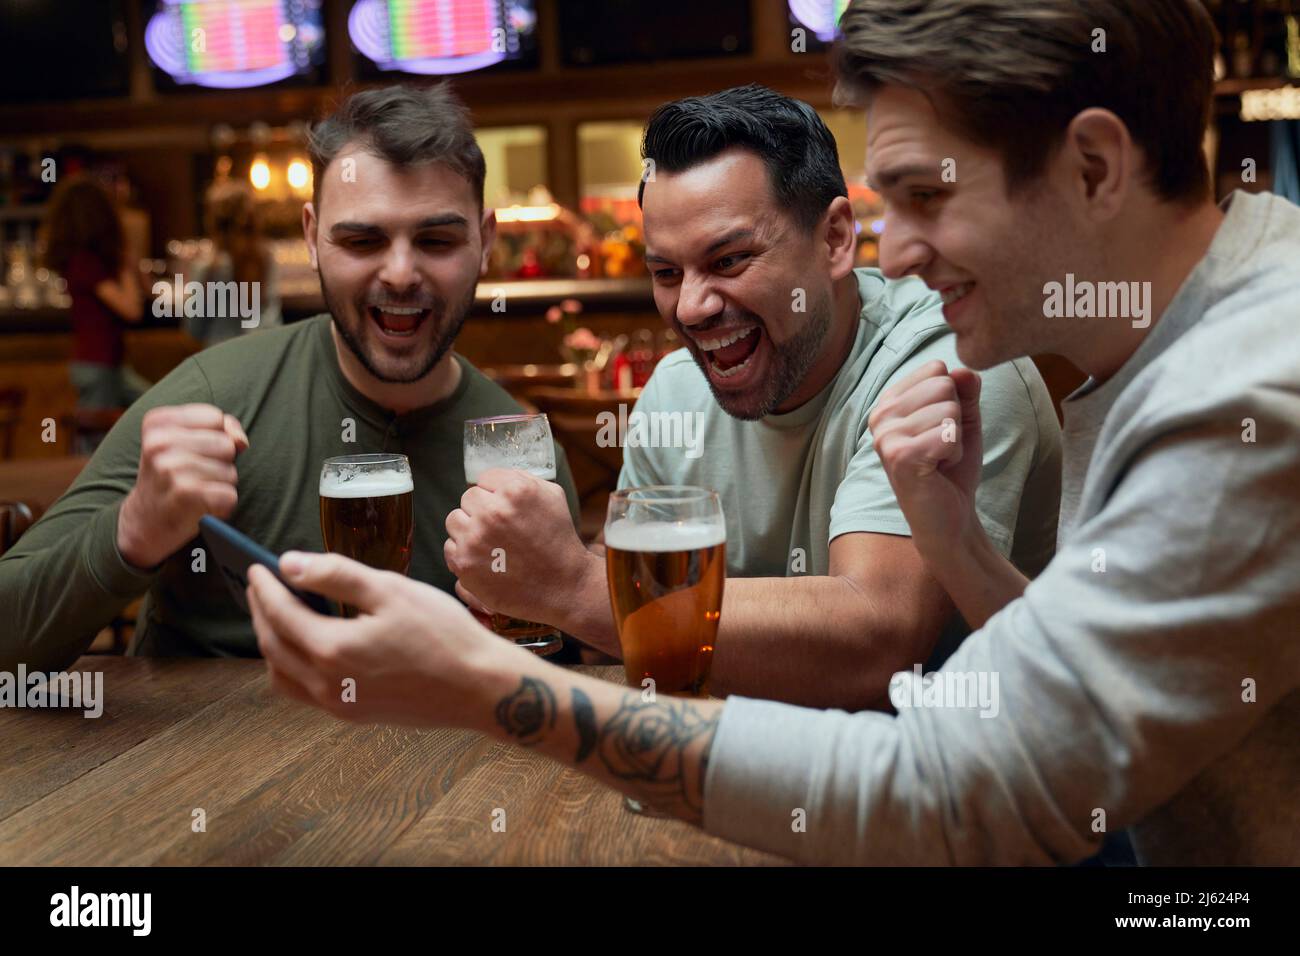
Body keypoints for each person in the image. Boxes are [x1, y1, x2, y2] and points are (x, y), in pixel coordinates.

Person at [246, 0, 1299, 866]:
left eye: (928, 196)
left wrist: (489, 687)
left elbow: (968, 785)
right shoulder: (1182, 342)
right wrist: (962, 549)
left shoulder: (1237, 393)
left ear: (1093, 168)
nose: (901, 255)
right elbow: (1072, 703)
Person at [444, 85, 1062, 711]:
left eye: (730, 259)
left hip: (963, 783)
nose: (690, 307)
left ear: (835, 240)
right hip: (749, 770)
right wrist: (540, 602)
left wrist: (576, 587)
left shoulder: (951, 362)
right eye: (666, 273)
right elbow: (642, 639)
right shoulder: (676, 394)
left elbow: (879, 639)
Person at [0, 83, 578, 671]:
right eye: (362, 239)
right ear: (312, 239)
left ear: (486, 244)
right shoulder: (212, 393)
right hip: (205, 760)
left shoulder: (525, 464)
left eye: (436, 239)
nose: (401, 272)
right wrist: (132, 532)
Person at [41, 174, 150, 412]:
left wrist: (128, 259)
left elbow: (147, 289)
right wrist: (124, 262)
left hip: (107, 364)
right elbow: (131, 310)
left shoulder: (87, 261)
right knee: (95, 440)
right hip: (97, 365)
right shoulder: (85, 263)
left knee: (153, 406)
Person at [185, 179, 283, 347]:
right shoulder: (266, 259)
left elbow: (193, 330)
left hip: (218, 360)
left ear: (211, 222)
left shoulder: (206, 268)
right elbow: (271, 321)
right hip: (264, 356)